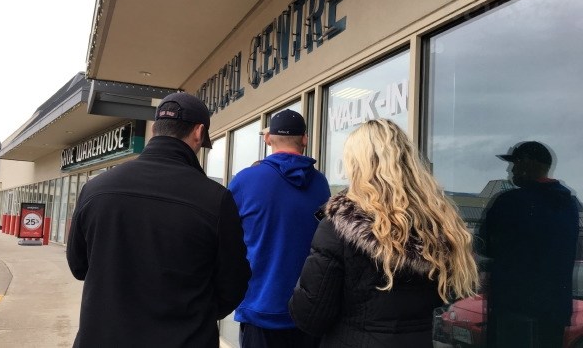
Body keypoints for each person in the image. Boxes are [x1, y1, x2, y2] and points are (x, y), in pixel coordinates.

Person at [66, 92, 251, 348]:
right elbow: (233, 284)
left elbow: (78, 267)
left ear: (155, 129)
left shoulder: (95, 188)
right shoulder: (216, 199)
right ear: (199, 132)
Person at [289, 118, 480, 347]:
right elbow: (452, 293)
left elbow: (310, 316)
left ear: (357, 166)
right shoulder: (439, 225)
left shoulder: (338, 228)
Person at [228, 109, 330, 348]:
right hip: (309, 311)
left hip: (260, 310)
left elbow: (225, 243)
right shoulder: (321, 184)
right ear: (304, 139)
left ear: (267, 139)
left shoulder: (245, 181)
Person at [479, 141, 579, 347]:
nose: (511, 169)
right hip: (554, 311)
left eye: (515, 163)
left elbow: (484, 245)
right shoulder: (569, 203)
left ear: (527, 164)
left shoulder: (510, 202)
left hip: (514, 309)